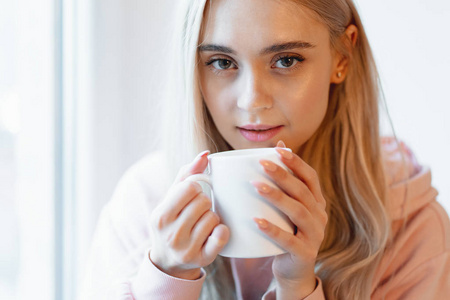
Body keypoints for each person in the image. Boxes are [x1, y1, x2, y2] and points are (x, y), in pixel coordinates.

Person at [80, 0, 450, 299]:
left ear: (342, 58)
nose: (252, 100)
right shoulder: (145, 204)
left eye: (286, 60)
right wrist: (166, 279)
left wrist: (298, 290)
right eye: (222, 62)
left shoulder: (410, 226)